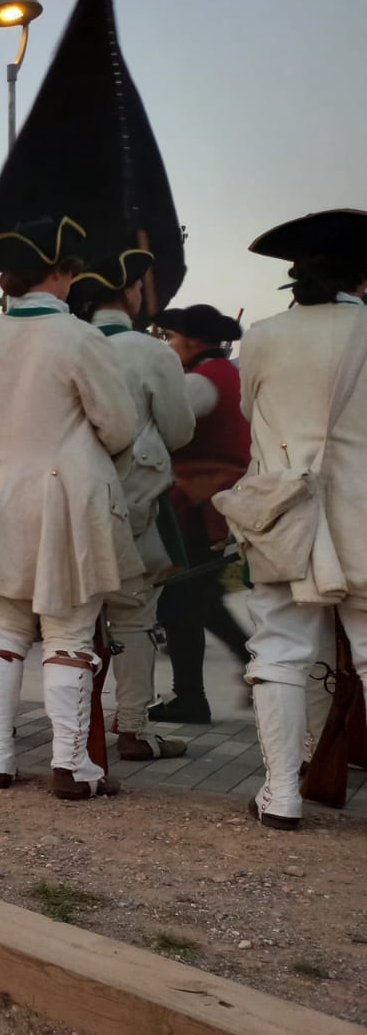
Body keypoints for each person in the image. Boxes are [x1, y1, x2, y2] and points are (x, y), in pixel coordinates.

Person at [0, 220, 140, 798]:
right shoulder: (80, 338)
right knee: (69, 630)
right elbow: (119, 426)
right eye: (70, 269)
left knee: (0, 628)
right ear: (56, 271)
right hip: (64, 498)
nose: (73, 279)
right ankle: (72, 766)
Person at [228, 210, 367, 829]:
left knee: (279, 651)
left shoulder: (261, 335)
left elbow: (250, 409)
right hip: (363, 514)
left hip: (286, 515)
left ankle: (281, 795)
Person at [68, 251, 195, 760]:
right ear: (128, 293)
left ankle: (76, 731)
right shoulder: (154, 351)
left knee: (74, 619)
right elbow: (180, 431)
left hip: (71, 497)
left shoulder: (68, 343)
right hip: (136, 497)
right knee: (135, 615)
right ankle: (135, 728)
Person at [149, 303, 252, 724]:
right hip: (209, 504)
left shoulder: (202, 383)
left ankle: (191, 697)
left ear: (192, 341)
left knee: (181, 601)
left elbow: (163, 430)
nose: (170, 346)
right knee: (201, 600)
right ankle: (238, 672)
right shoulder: (228, 375)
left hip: (196, 506)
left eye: (172, 339)